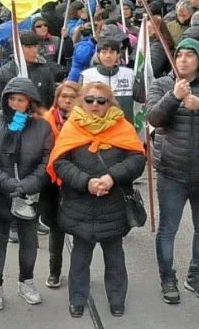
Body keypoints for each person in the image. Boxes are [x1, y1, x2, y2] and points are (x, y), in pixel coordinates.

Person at [48, 82, 146, 318]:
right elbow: (60, 162)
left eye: (100, 101)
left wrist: (112, 177)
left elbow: (137, 159)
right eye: (90, 99)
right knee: (80, 257)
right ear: (82, 101)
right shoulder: (72, 126)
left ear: (109, 103)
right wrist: (86, 182)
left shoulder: (123, 127)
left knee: (114, 256)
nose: (94, 104)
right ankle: (78, 299)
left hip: (113, 206)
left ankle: (117, 299)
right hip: (79, 205)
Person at [146, 37, 199, 304]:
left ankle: (196, 276)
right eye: (179, 55)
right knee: (168, 230)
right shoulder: (162, 84)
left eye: (190, 55)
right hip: (171, 172)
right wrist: (174, 97)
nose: (183, 60)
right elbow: (153, 118)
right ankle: (167, 278)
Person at [0, 77, 52, 311]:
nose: (16, 103)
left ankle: (26, 281)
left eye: (21, 100)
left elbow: (47, 160)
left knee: (29, 240)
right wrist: (7, 184)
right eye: (12, 99)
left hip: (29, 196)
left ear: (30, 102)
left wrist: (28, 185)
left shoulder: (42, 126)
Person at [40, 82, 80, 289]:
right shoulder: (46, 121)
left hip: (76, 182)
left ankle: (79, 274)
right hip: (52, 185)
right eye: (64, 96)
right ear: (57, 98)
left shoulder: (85, 121)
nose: (67, 100)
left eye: (72, 96)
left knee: (81, 232)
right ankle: (54, 272)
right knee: (56, 230)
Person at [0, 31, 56, 113]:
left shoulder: (45, 73)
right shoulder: (2, 73)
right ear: (17, 48)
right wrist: (14, 109)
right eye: (29, 46)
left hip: (37, 122)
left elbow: (51, 102)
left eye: (35, 46)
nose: (34, 50)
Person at [80, 38, 136, 125]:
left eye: (112, 52)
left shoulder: (129, 74)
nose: (108, 56)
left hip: (124, 127)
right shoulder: (87, 75)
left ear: (118, 55)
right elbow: (80, 104)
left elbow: (140, 98)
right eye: (104, 52)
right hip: (96, 127)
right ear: (98, 54)